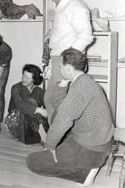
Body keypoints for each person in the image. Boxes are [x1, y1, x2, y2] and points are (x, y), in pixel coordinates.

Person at [26, 48, 114, 186]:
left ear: (68, 68)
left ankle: (84, 173)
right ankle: (86, 165)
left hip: (91, 148)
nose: (59, 69)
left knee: (32, 162)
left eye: (60, 66)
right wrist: (62, 86)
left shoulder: (80, 87)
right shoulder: (84, 81)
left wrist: (50, 146)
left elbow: (62, 120)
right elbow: (61, 110)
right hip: (94, 140)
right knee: (56, 117)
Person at [42, 0, 93, 123]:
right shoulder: (64, 5)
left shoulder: (75, 6)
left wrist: (67, 59)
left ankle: (60, 141)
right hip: (58, 57)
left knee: (55, 101)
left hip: (66, 59)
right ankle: (58, 140)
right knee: (51, 99)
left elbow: (86, 36)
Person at [7, 64, 48, 142]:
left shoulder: (38, 90)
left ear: (34, 80)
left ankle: (49, 133)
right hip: (15, 122)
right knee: (31, 102)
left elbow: (47, 104)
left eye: (27, 78)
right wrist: (39, 110)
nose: (24, 79)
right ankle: (41, 133)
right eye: (23, 76)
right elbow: (20, 105)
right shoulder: (16, 88)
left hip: (33, 122)